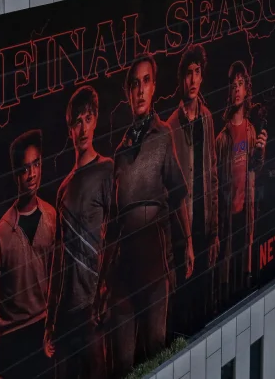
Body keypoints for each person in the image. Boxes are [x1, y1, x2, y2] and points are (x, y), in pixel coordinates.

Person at [97, 55, 192, 375]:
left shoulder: (163, 135)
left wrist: (188, 243)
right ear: (128, 92)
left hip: (153, 266)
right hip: (122, 273)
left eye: (146, 81)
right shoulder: (120, 152)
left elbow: (178, 194)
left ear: (154, 87)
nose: (140, 90)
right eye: (134, 84)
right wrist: (101, 282)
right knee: (122, 365)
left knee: (155, 354)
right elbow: (112, 227)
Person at [45, 88, 113, 379]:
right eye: (77, 122)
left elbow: (116, 234)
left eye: (87, 119)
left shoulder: (107, 170)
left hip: (92, 309)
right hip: (65, 315)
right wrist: (50, 321)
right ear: (70, 129)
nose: (83, 128)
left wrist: (105, 291)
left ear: (95, 120)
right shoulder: (63, 189)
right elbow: (57, 261)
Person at [0, 130, 57, 379]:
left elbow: (58, 278)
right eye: (25, 168)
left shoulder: (51, 217)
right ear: (16, 174)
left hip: (44, 330)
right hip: (13, 340)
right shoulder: (1, 234)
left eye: (36, 164)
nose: (32, 174)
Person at [167, 44, 219, 334]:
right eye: (188, 73)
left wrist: (215, 231)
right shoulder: (171, 127)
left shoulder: (207, 118)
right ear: (181, 78)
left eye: (197, 72)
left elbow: (213, 176)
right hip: (181, 231)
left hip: (204, 226)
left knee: (203, 303)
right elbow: (170, 189)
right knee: (182, 305)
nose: (193, 79)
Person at [214, 61, 267, 307]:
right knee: (225, 266)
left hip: (246, 213)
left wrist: (261, 151)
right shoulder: (222, 138)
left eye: (240, 84)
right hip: (226, 214)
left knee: (243, 264)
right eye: (233, 85)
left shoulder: (251, 131)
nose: (237, 89)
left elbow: (256, 167)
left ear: (246, 90)